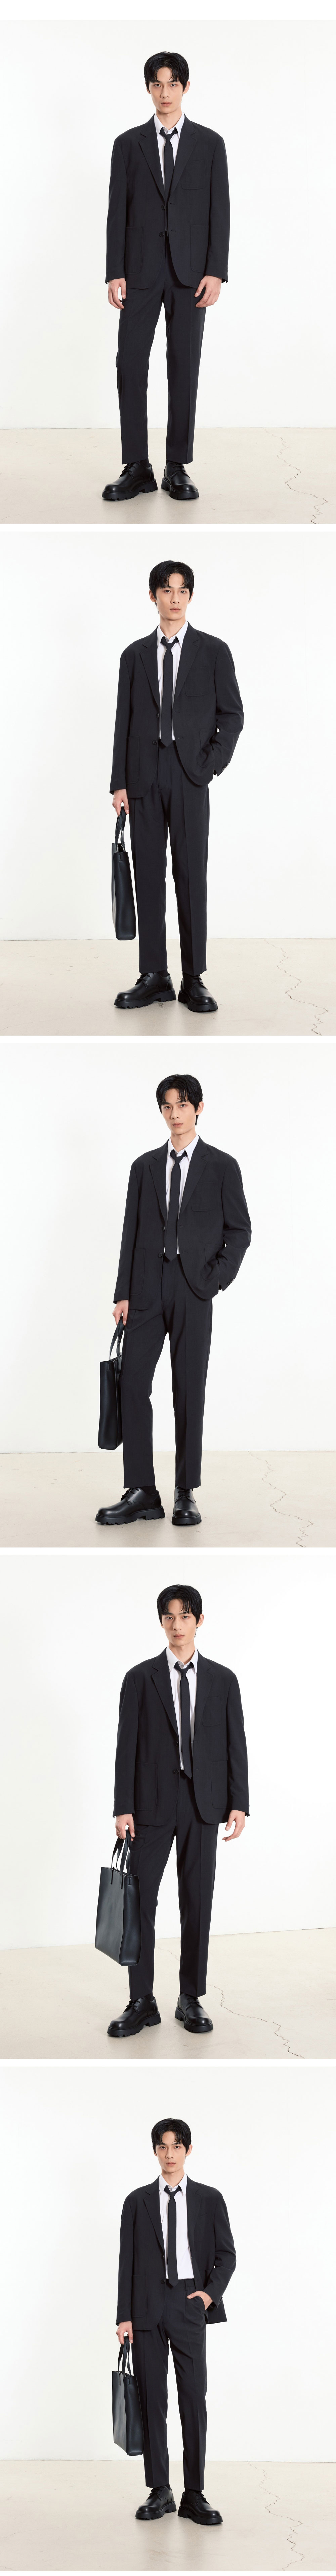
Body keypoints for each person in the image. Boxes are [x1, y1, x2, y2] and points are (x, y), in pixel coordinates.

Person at [96, 1072, 251, 1529]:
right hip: (146, 1289)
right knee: (132, 1384)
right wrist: (123, 1292)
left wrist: (214, 1279)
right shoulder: (144, 1167)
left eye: (183, 1105)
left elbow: (240, 1232)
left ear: (198, 1108)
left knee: (188, 1391)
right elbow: (131, 1232)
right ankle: (142, 1490)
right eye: (167, 1106)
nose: (175, 1114)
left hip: (194, 1289)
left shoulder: (222, 1166)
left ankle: (186, 1491)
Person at [108, 1582, 249, 2041]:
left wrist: (239, 1801)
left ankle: (190, 1997)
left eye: (185, 1616)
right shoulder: (140, 1678)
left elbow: (235, 1743)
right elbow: (126, 1745)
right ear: (161, 1622)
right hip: (150, 1806)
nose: (177, 1625)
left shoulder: (224, 1680)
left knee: (197, 1903)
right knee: (139, 1904)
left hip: (203, 1805)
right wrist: (123, 1806)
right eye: (169, 1617)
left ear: (199, 1621)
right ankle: (141, 2000)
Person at [111, 558, 244, 1015]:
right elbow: (124, 721)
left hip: (190, 777)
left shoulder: (214, 652)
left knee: (190, 878)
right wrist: (119, 783)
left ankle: (193, 978)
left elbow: (232, 715)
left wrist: (209, 765)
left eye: (182, 590)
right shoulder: (133, 656)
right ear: (153, 596)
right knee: (148, 877)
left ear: (190, 596)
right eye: (166, 590)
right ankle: (155, 976)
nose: (175, 599)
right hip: (143, 778)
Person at [103, 49, 230, 505]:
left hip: (190, 274)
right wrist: (115, 271)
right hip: (139, 272)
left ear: (185, 87)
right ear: (148, 88)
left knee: (184, 365)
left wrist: (216, 271)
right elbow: (118, 211)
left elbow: (220, 211)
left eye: (172, 84)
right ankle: (137, 466)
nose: (165, 93)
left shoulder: (210, 144)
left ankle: (177, 465)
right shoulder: (128, 144)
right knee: (130, 365)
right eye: (157, 84)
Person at [116, 2116, 236, 2522]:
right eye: (163, 2146)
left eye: (177, 2146)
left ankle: (194, 2493)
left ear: (188, 2150)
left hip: (189, 2303)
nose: (170, 2154)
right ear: (155, 2150)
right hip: (146, 2307)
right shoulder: (137, 2201)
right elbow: (127, 2261)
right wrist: (124, 2315)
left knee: (193, 2399)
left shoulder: (209, 2198)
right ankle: (160, 2490)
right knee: (152, 2399)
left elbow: (227, 2255)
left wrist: (207, 2295)